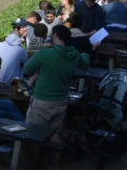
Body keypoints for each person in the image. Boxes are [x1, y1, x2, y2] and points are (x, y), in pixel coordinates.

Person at [23, 25, 91, 169]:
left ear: (55, 36)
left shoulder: (45, 53)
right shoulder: (75, 54)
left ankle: (35, 165)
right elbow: (85, 64)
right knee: (54, 132)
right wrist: (86, 54)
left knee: (32, 135)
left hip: (42, 100)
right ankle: (55, 165)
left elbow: (26, 69)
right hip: (61, 101)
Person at [0, 18, 29, 84]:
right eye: (15, 27)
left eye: (16, 27)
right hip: (10, 87)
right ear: (23, 29)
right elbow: (29, 68)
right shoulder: (21, 51)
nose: (15, 29)